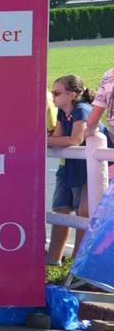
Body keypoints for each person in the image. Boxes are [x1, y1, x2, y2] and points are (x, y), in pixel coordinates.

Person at [46, 75, 95, 266]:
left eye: (57, 93)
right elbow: (58, 137)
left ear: (72, 95)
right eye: (53, 92)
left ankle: (77, 261)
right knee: (59, 209)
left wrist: (44, 140)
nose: (53, 96)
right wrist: (50, 140)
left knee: (84, 213)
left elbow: (75, 139)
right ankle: (53, 260)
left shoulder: (82, 110)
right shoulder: (61, 112)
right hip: (68, 165)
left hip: (86, 168)